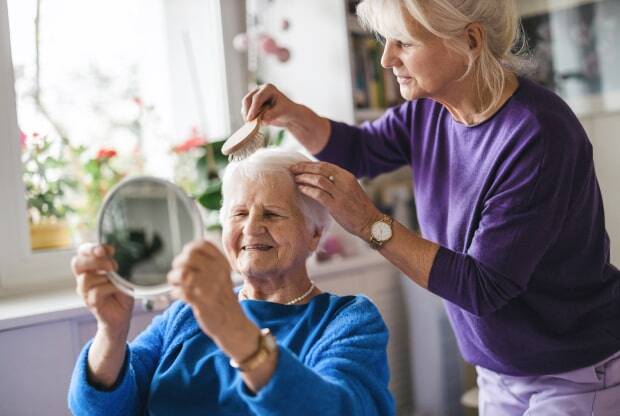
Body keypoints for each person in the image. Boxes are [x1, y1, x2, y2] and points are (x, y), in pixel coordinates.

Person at [242, 0, 620, 414]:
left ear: (470, 40)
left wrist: (369, 223)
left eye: (403, 42)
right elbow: (362, 150)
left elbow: (482, 286)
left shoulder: (538, 135)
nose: (387, 59)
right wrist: (293, 115)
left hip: (577, 372)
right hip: (498, 372)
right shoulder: (428, 110)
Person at [67, 149, 395, 416]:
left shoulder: (348, 320)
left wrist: (230, 326)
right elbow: (98, 408)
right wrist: (111, 331)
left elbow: (339, 409)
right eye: (239, 214)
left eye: (272, 214)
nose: (251, 229)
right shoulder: (184, 315)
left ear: (314, 234)